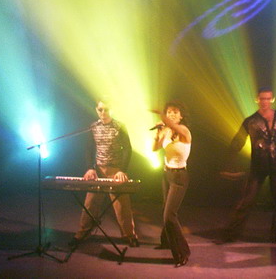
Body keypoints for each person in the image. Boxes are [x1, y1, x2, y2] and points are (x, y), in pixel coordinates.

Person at [220, 87, 276, 248]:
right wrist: (229, 163)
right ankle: (230, 235)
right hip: (258, 166)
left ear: (272, 99)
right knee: (246, 202)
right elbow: (237, 141)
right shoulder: (250, 121)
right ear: (257, 99)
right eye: (262, 99)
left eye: (268, 99)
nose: (265, 102)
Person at [69, 98, 139, 249]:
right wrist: (90, 168)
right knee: (90, 203)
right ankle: (83, 232)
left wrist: (122, 170)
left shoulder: (120, 126)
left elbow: (127, 149)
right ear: (96, 110)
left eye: (106, 109)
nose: (103, 112)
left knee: (122, 205)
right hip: (99, 170)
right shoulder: (93, 127)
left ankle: (129, 235)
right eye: (100, 109)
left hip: (115, 170)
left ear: (111, 110)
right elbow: (89, 148)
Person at [152, 101, 192, 267]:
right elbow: (154, 148)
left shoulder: (184, 130)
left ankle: (183, 252)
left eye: (175, 112)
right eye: (169, 112)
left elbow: (173, 125)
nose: (172, 115)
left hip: (179, 177)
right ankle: (166, 241)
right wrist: (158, 133)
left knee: (169, 215)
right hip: (166, 174)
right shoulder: (167, 130)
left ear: (181, 116)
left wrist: (161, 116)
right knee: (165, 209)